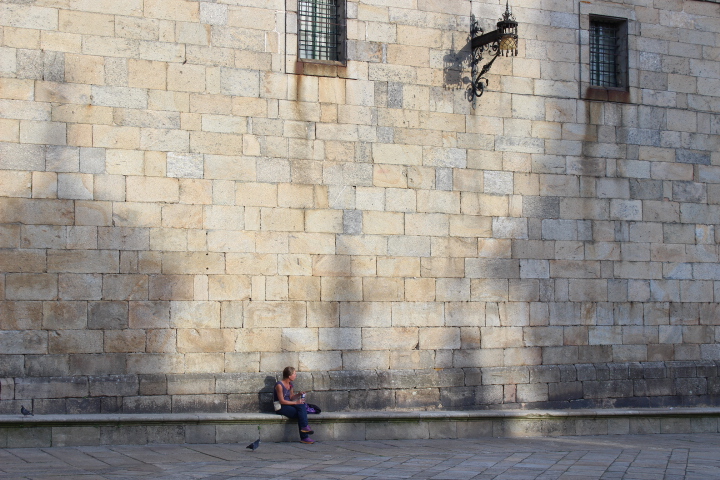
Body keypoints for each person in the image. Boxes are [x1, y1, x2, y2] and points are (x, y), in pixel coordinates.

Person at [274, 366, 315, 444]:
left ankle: (304, 429)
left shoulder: (290, 384)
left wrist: (299, 394)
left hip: (289, 404)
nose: (296, 375)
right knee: (301, 413)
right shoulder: (279, 385)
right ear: (289, 376)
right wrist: (296, 402)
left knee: (302, 405)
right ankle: (304, 437)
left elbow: (291, 397)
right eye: (294, 374)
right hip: (281, 407)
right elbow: (282, 401)